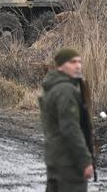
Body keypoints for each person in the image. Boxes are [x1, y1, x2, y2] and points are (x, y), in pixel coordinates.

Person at [39, 48, 95, 192]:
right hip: (69, 162)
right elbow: (70, 128)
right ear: (60, 66)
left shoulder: (53, 87)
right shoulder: (66, 91)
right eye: (72, 62)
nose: (78, 66)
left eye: (79, 62)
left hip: (55, 159)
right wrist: (85, 160)